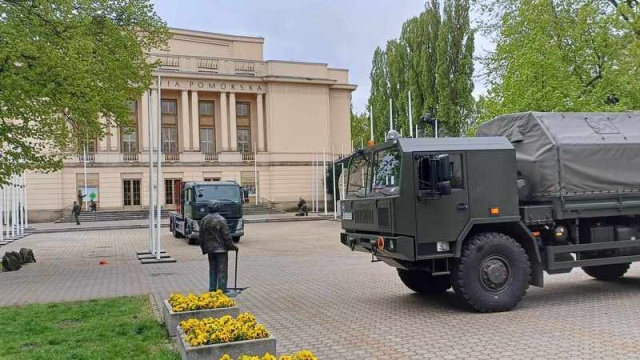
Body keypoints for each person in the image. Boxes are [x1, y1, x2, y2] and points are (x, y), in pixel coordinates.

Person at [199, 200, 238, 293]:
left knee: (212, 269)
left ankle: (212, 288)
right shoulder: (221, 220)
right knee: (222, 270)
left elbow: (200, 237)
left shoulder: (204, 220)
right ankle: (222, 289)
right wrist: (233, 247)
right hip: (221, 250)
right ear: (218, 207)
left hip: (210, 249)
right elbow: (227, 237)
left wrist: (204, 248)